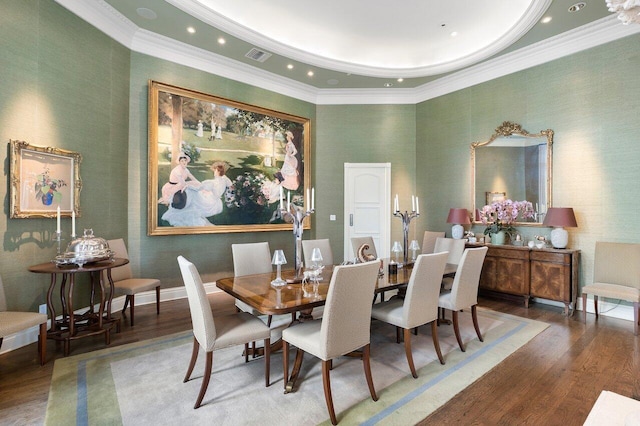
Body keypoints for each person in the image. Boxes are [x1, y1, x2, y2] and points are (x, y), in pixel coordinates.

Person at [161, 161, 232, 226]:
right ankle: (180, 201)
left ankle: (181, 203)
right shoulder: (225, 179)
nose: (214, 172)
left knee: (191, 191)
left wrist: (188, 186)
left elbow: (197, 189)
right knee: (197, 191)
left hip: (209, 203)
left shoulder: (211, 183)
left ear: (217, 171)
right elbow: (231, 186)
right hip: (218, 204)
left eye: (215, 170)